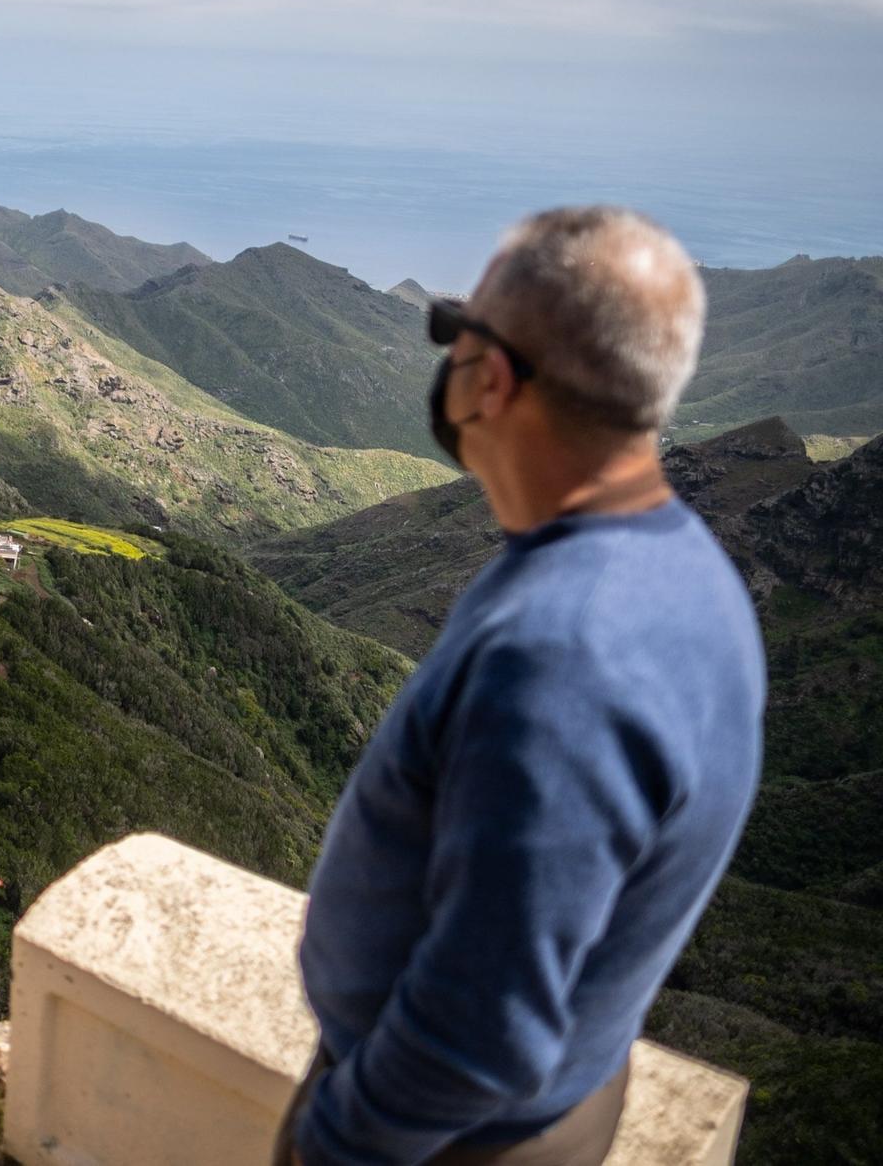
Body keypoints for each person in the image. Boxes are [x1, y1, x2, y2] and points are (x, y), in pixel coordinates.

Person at [274, 207, 764, 1165]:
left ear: (490, 377)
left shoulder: (562, 662)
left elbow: (479, 1027)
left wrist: (335, 1143)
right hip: (541, 1099)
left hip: (441, 1139)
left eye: (452, 332)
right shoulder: (690, 573)